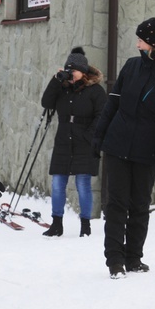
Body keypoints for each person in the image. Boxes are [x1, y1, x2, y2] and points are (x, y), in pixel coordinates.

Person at [93, 15, 155, 279]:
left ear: (154, 43)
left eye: (141, 40)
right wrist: (99, 137)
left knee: (140, 206)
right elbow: (112, 104)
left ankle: (133, 259)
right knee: (116, 204)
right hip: (117, 145)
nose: (137, 45)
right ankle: (115, 261)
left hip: (146, 152)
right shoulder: (131, 67)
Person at [40, 47, 106, 237]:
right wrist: (55, 81)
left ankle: (85, 225)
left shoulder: (95, 91)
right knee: (58, 183)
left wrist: (88, 136)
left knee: (83, 183)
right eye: (67, 70)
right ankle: (56, 224)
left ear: (83, 72)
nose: (70, 74)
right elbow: (47, 102)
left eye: (73, 70)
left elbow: (102, 116)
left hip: (84, 141)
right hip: (63, 140)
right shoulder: (63, 88)